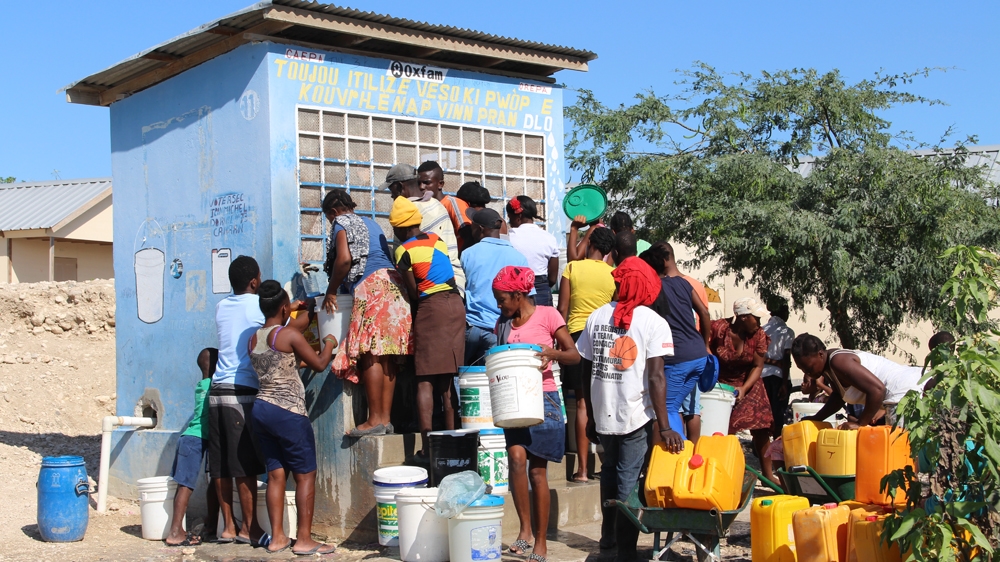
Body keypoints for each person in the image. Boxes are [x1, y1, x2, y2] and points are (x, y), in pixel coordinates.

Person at [576, 257, 680, 561]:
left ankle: (608, 539)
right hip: (635, 416)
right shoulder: (653, 322)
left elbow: (586, 369)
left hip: (605, 412)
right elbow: (656, 376)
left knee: (609, 474)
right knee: (627, 481)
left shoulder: (596, 317)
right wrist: (665, 426)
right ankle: (625, 551)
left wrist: (591, 412)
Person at [491, 265, 580, 562]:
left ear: (519, 295)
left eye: (502, 299)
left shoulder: (548, 316)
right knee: (516, 460)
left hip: (544, 400)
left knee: (538, 471)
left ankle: (541, 540)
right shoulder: (502, 324)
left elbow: (574, 355)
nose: (499, 305)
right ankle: (525, 531)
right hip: (514, 403)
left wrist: (551, 353)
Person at [249, 281, 337, 555]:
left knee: (276, 476)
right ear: (285, 307)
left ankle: (277, 539)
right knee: (305, 475)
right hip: (287, 411)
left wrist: (304, 308)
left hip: (261, 409)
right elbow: (320, 364)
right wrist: (330, 342)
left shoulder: (253, 337)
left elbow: (280, 362)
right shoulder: (288, 335)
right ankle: (303, 540)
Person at [322, 189, 413, 436]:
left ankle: (373, 420)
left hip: (372, 287)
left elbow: (343, 260)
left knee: (370, 352)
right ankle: (385, 419)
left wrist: (331, 291)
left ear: (332, 212)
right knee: (388, 354)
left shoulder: (342, 222)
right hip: (395, 286)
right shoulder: (372, 223)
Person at [390, 197, 466, 459]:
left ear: (400, 228)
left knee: (424, 379)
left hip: (431, 309)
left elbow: (413, 293)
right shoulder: (437, 240)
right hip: (456, 305)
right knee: (447, 382)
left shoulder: (403, 251)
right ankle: (452, 439)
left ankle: (427, 445)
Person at [208, 255, 268, 546]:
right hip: (240, 390)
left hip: (216, 390)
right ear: (254, 282)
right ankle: (250, 528)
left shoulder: (221, 306)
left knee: (220, 466)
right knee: (244, 463)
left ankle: (228, 527)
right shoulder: (257, 305)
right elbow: (276, 322)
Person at [557, 225, 616, 483]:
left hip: (578, 336)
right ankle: (610, 464)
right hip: (606, 337)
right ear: (608, 250)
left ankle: (582, 470)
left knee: (581, 403)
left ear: (590, 244)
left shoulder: (573, 268)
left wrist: (560, 343)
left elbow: (562, 308)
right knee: (606, 400)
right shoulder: (615, 274)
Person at [639, 243, 712, 444]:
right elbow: (705, 313)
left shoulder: (654, 289)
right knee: (683, 406)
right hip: (698, 356)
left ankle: (674, 460)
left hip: (677, 357)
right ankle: (686, 451)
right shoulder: (683, 283)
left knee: (667, 408)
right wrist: (705, 344)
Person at [791, 333, 923, 427]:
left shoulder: (838, 361)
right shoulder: (829, 369)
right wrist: (816, 418)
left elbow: (878, 390)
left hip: (904, 392)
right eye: (801, 368)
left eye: (808, 367)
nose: (806, 372)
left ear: (820, 354)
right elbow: (838, 397)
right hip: (900, 394)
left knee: (903, 453)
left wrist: (860, 424)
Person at [710, 297, 773, 481]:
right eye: (757, 318)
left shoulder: (759, 335)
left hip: (749, 382)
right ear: (744, 317)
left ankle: (768, 475)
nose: (759, 323)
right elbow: (704, 345)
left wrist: (744, 388)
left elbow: (758, 366)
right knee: (722, 428)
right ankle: (722, 472)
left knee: (761, 427)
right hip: (721, 384)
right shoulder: (718, 329)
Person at [165, 348, 220, 547]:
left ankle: (205, 525)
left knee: (194, 483)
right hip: (196, 438)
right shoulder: (214, 386)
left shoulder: (202, 385)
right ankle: (175, 532)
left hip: (192, 438)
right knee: (189, 485)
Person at [460, 208, 528, 365]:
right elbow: (527, 298)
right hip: (502, 330)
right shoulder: (519, 257)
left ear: (480, 228)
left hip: (472, 326)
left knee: (465, 379)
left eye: (472, 225)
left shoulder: (468, 254)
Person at [384, 164, 465, 296]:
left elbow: (405, 261)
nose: (391, 196)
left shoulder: (408, 212)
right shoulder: (435, 204)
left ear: (399, 186)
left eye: (391, 190)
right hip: (455, 284)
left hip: (431, 290)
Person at [506, 196, 559, 305]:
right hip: (542, 289)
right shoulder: (549, 238)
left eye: (510, 217)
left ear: (518, 216)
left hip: (517, 289)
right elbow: (553, 278)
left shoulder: (509, 238)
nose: (509, 222)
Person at [418, 161, 473, 253]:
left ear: (440, 184)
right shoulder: (422, 205)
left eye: (426, 183)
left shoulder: (453, 204)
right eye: (418, 183)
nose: (421, 187)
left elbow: (468, 237)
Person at [761, 296, 795, 439]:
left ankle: (761, 443)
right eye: (787, 309)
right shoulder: (786, 332)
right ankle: (776, 443)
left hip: (762, 376)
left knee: (763, 412)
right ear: (781, 311)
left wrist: (771, 362)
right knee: (778, 414)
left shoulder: (762, 330)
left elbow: (757, 356)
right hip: (779, 377)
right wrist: (784, 384)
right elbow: (786, 358)